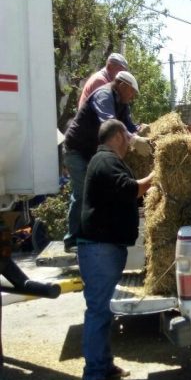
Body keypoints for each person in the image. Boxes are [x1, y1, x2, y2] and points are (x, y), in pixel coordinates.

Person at [77, 119, 154, 380]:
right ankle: (94, 377)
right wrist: (158, 175)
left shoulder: (104, 160)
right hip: (100, 250)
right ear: (119, 135)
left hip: (104, 249)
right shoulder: (106, 161)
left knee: (103, 311)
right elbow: (130, 189)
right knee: (98, 311)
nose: (131, 142)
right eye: (128, 136)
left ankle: (104, 365)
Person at [63, 71, 151, 250]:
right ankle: (71, 239)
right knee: (82, 192)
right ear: (122, 85)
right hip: (77, 149)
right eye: (132, 91)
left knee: (98, 193)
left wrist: (139, 131)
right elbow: (108, 122)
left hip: (92, 151)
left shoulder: (122, 103)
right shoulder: (104, 95)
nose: (133, 96)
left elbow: (128, 125)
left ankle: (92, 235)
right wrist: (134, 140)